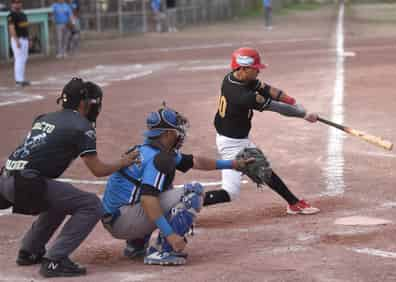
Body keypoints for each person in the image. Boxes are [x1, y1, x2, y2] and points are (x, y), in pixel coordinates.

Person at [0, 78, 139, 278]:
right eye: (94, 103)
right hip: (25, 184)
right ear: (84, 103)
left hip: (6, 179)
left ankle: (30, 250)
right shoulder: (81, 126)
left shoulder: (44, 118)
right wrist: (123, 161)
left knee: (62, 198)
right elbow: (97, 169)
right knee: (91, 205)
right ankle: (54, 260)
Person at [101, 106, 252, 265]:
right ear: (166, 134)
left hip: (116, 217)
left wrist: (233, 164)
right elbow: (147, 200)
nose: (181, 134)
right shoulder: (158, 158)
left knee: (163, 189)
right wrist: (170, 234)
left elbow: (196, 161)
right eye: (177, 130)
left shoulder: (147, 150)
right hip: (124, 221)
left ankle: (136, 244)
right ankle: (164, 250)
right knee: (193, 193)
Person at [205, 47, 320, 216]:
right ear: (243, 68)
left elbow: (268, 90)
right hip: (233, 143)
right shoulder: (241, 94)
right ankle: (294, 203)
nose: (258, 71)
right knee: (259, 173)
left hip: (234, 138)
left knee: (233, 190)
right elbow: (277, 108)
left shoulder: (234, 78)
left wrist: (293, 102)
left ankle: (293, 202)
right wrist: (303, 114)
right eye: (255, 68)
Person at [7, 0, 30, 87]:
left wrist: (28, 39)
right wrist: (16, 40)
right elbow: (11, 28)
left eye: (19, 2)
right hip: (18, 39)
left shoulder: (23, 14)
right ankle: (18, 80)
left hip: (24, 39)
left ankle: (21, 79)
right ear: (12, 4)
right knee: (19, 59)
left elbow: (25, 28)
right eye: (15, 2)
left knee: (24, 59)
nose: (17, 4)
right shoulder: (11, 15)